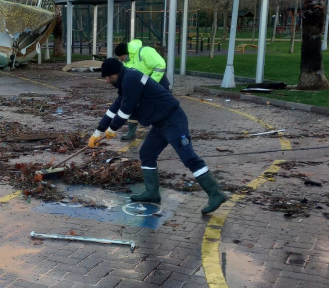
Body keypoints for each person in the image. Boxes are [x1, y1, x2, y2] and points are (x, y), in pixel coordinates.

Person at [88, 58, 226, 214]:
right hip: (160, 124)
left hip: (173, 121)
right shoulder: (125, 80)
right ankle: (152, 193)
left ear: (115, 73)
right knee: (147, 153)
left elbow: (126, 109)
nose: (106, 80)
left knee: (189, 157)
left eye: (107, 77)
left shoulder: (130, 79)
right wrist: (98, 132)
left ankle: (216, 194)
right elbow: (115, 108)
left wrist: (112, 129)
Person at [114, 40, 169, 141]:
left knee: (163, 108)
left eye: (120, 56)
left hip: (159, 84)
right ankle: (131, 131)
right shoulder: (126, 62)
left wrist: (152, 83)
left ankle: (168, 130)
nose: (119, 59)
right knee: (132, 104)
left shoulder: (145, 52)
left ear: (125, 54)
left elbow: (160, 65)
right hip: (143, 86)